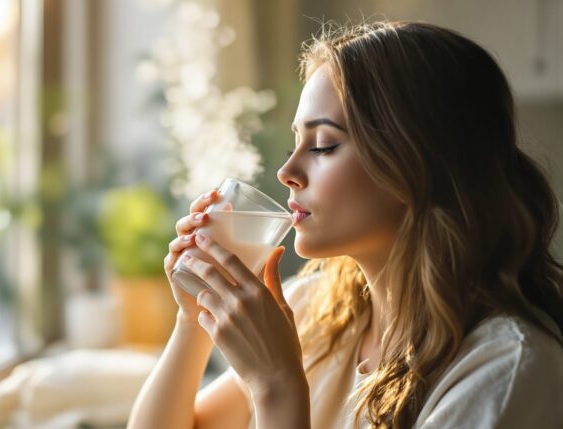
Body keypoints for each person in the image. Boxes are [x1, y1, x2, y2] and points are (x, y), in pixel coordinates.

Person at [126, 20, 563, 429]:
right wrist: (194, 318)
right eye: (297, 141)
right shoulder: (314, 311)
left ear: (416, 164)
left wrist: (277, 391)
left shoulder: (507, 371)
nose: (287, 171)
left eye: (324, 145)